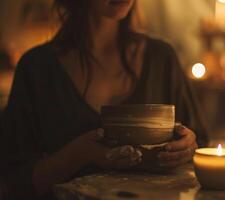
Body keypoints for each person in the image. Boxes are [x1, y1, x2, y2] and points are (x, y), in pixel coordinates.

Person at [0, 0, 208, 199]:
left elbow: (200, 145)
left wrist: (188, 147)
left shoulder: (161, 58)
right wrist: (80, 154)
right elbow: (17, 183)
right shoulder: (37, 68)